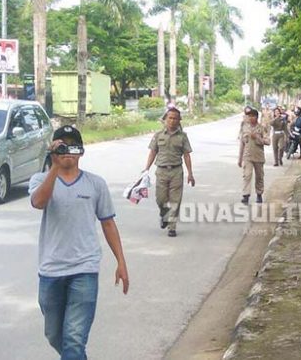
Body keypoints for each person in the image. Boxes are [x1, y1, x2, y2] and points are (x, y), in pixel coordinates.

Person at [29, 125, 129, 359]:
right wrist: (53, 166)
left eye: (72, 146)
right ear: (53, 150)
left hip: (85, 269)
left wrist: (121, 262)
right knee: (54, 335)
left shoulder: (96, 184)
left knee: (73, 340)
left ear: (81, 151)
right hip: (51, 269)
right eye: (61, 146)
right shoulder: (41, 179)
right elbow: (39, 202)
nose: (67, 152)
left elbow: (108, 224)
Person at [144, 107, 195, 237]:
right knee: (160, 199)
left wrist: (190, 173)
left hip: (176, 171)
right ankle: (164, 214)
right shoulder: (158, 135)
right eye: (170, 118)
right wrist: (146, 169)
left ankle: (172, 227)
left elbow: (187, 155)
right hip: (161, 171)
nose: (172, 121)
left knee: (175, 200)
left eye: (175, 118)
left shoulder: (183, 137)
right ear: (165, 119)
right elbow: (153, 152)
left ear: (179, 120)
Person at [238, 108, 269, 204]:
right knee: (247, 175)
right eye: (249, 116)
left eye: (252, 116)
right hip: (247, 156)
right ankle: (245, 195)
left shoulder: (261, 128)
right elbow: (242, 143)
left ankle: (259, 194)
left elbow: (268, 141)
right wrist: (240, 158)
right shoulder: (245, 127)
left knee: (259, 176)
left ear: (256, 117)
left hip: (258, 156)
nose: (250, 118)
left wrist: (257, 138)